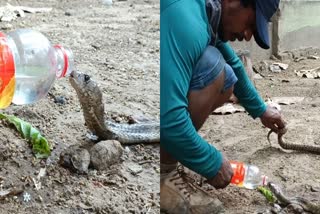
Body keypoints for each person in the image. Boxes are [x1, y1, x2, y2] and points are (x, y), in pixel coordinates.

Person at [160, 0, 286, 213]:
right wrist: (211, 162)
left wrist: (261, 109)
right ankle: (163, 175)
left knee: (226, 75)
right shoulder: (188, 23)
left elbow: (235, 65)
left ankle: (169, 156)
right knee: (213, 67)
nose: (247, 36)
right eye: (251, 24)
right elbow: (170, 121)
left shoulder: (206, 10)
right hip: (162, 112)